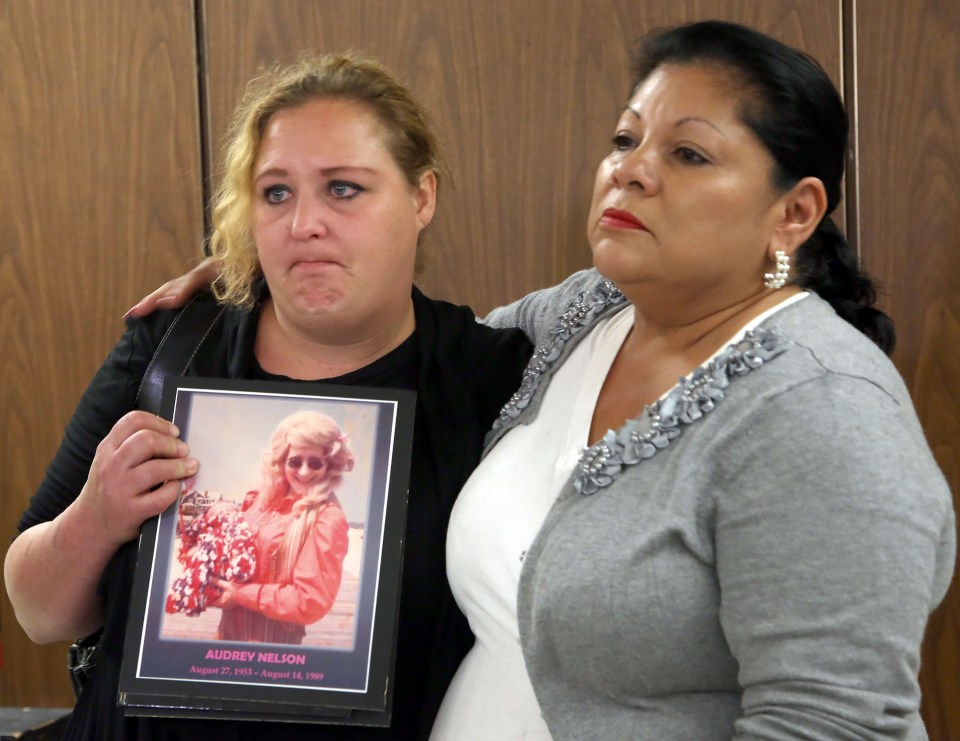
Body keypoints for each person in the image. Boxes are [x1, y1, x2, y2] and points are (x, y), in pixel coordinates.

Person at [116, 20, 957, 739]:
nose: (631, 169)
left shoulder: (825, 409)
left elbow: (832, 723)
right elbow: (405, 333)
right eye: (626, 139)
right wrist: (277, 263)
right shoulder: (584, 315)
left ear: (796, 211)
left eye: (689, 153)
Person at [4, 53, 532, 740]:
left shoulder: (491, 376)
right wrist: (97, 516)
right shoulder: (173, 346)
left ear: (421, 196)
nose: (303, 222)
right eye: (276, 193)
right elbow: (39, 614)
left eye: (344, 189)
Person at [214, 410, 354, 645]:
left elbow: (310, 601)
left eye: (315, 463)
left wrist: (240, 594)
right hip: (226, 637)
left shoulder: (327, 518)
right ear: (281, 460)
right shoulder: (262, 499)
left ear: (330, 464)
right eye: (295, 461)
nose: (304, 472)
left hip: (269, 650)